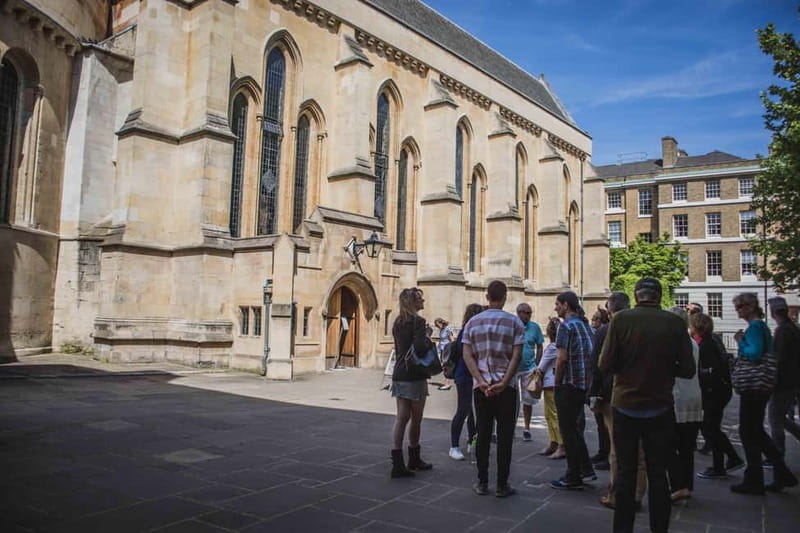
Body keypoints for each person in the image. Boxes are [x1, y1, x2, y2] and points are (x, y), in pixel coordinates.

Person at [599, 277, 695, 533]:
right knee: (658, 474)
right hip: (660, 406)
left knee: (626, 474)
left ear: (637, 295)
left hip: (625, 405)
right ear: (659, 295)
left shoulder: (620, 320)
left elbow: (604, 364)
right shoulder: (674, 323)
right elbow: (687, 369)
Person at [462, 280, 524, 497]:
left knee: (483, 433)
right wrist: (504, 382)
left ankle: (482, 482)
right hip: (506, 389)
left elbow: (467, 354)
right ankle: (502, 484)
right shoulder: (515, 323)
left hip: (482, 388)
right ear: (505, 296)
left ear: (487, 296)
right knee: (505, 437)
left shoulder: (472, 323)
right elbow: (517, 356)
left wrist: (480, 380)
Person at [730, 292, 797, 494]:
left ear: (751, 306)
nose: (738, 310)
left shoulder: (756, 327)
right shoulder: (761, 327)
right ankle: (782, 473)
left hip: (755, 386)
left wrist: (741, 341)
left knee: (748, 432)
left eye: (740, 306)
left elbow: (754, 353)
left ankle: (755, 480)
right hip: (759, 387)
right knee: (755, 431)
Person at [590, 292, 647, 510]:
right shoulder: (645, 328)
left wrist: (593, 394)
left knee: (618, 448)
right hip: (644, 394)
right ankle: (636, 495)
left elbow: (597, 366)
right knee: (639, 450)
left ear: (610, 309)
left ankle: (617, 494)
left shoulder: (606, 330)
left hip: (615, 395)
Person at [550, 291, 596, 490]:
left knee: (568, 431)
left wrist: (557, 383)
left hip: (569, 385)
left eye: (558, 304)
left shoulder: (565, 326)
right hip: (584, 384)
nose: (555, 308)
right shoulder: (585, 325)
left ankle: (573, 476)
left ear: (566, 305)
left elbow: (561, 358)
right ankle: (586, 469)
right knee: (576, 429)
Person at [390, 287, 435, 478]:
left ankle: (398, 462)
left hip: (399, 372)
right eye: (420, 299)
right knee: (416, 418)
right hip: (414, 374)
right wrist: (428, 335)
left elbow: (399, 348)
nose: (423, 301)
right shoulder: (419, 322)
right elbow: (419, 347)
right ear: (412, 302)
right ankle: (414, 458)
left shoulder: (398, 322)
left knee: (401, 418)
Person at [692, 312, 743, 479]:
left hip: (714, 393)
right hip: (720, 390)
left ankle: (729, 460)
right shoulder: (713, 340)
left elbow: (710, 371)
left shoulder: (706, 345)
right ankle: (721, 464)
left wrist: (701, 381)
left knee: (710, 428)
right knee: (712, 428)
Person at [666, 307, 703, 503]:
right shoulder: (691, 343)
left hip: (677, 398)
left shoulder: (672, 344)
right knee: (687, 447)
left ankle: (678, 485)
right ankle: (686, 485)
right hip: (693, 397)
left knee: (669, 445)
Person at [448, 303, 484, 461]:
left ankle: (471, 441)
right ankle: (454, 446)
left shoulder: (471, 329)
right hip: (464, 375)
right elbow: (466, 354)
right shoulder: (467, 330)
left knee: (471, 411)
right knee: (463, 409)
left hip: (473, 375)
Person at [766, 296, 800, 461]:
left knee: (775, 419)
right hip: (792, 381)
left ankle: (777, 456)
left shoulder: (782, 331)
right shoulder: (793, 328)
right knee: (780, 418)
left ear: (773, 312)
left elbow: (778, 360)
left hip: (784, 383)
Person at [516, 303, 545, 442]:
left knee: (528, 399)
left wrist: (537, 364)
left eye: (530, 313)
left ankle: (527, 428)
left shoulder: (535, 327)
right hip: (513, 368)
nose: (528, 315)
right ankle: (511, 426)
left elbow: (539, 346)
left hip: (529, 368)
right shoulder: (513, 324)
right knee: (512, 400)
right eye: (526, 313)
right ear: (519, 312)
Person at [537, 317, 565, 458]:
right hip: (550, 384)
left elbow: (542, 366)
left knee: (554, 415)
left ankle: (561, 445)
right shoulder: (556, 347)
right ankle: (553, 442)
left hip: (551, 384)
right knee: (549, 415)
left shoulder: (553, 347)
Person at [589, 305, 612, 470]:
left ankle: (607, 455)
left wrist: (593, 390)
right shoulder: (597, 332)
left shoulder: (603, 332)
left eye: (596, 318)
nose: (593, 321)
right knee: (600, 422)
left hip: (605, 385)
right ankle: (603, 452)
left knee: (607, 424)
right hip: (604, 384)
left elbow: (596, 363)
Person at [435, 317, 456, 391]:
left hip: (447, 349)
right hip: (442, 349)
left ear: (441, 323)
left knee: (446, 366)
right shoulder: (442, 330)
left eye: (437, 325)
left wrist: (452, 349)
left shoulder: (447, 329)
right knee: (444, 366)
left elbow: (452, 339)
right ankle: (446, 383)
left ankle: (447, 384)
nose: (437, 327)